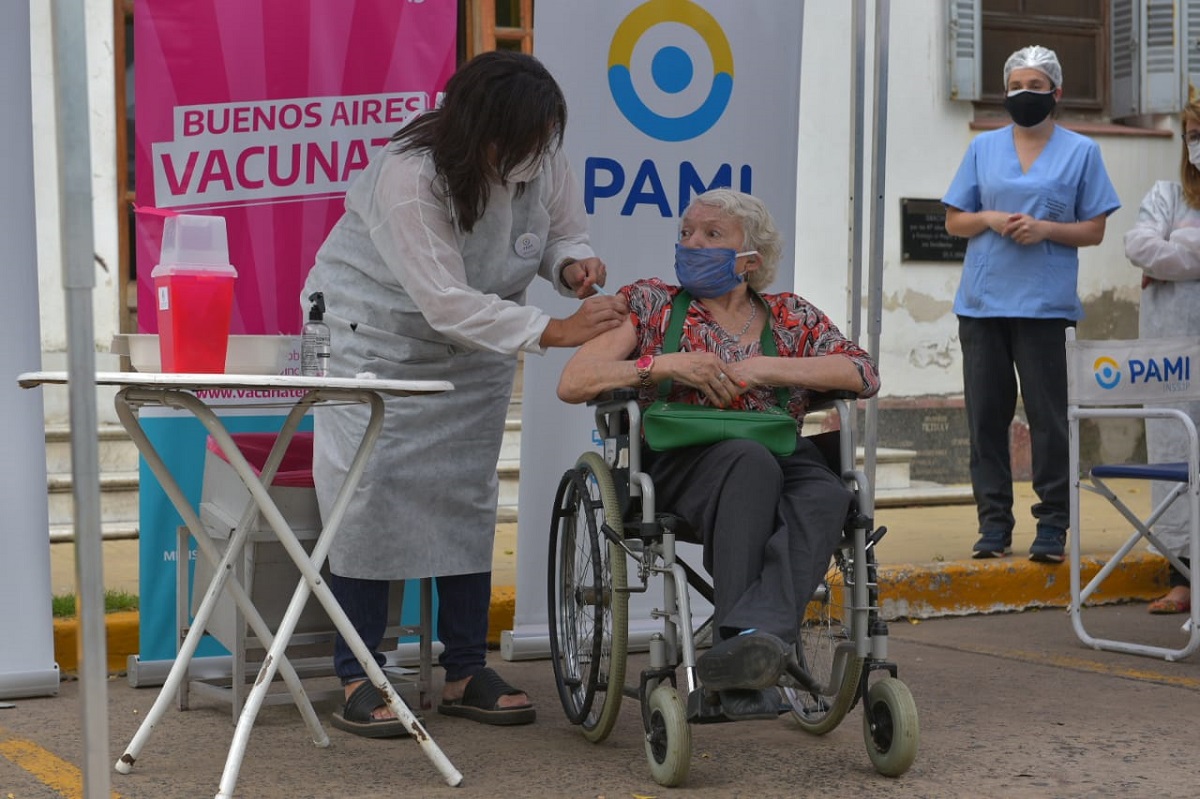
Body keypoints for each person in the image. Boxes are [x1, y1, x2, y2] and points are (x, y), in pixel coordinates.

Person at [301, 51, 628, 737]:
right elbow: (446, 302)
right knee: (369, 496)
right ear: (480, 129)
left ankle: (464, 670)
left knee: (466, 498)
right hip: (377, 340)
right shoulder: (409, 174)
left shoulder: (539, 153)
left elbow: (559, 229)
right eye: (523, 141)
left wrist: (571, 264)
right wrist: (557, 329)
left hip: (475, 349)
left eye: (544, 140)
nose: (536, 155)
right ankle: (361, 670)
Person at [557, 189, 879, 719]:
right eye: (686, 233)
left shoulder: (791, 316)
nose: (691, 244)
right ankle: (743, 653)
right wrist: (660, 366)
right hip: (680, 456)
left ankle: (750, 640)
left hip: (778, 447)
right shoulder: (653, 305)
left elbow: (862, 373)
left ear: (750, 260)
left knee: (827, 493)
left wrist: (765, 370)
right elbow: (576, 380)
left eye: (711, 235)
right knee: (747, 461)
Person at [942, 45, 1120, 563]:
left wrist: (1045, 229)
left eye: (1036, 86)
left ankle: (1052, 527)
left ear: (1056, 93)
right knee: (985, 421)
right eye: (1016, 85)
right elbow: (956, 219)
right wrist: (992, 219)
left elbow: (1095, 229)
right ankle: (993, 525)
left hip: (1045, 307)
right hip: (982, 303)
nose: (1025, 94)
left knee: (1049, 421)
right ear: (1005, 90)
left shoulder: (1081, 151)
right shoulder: (983, 149)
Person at [1122, 96, 1200, 615]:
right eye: (1192, 130)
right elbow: (1137, 243)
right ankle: (1184, 576)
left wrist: (1173, 257)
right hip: (1173, 359)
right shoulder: (1167, 194)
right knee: (1176, 460)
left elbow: (1160, 253)